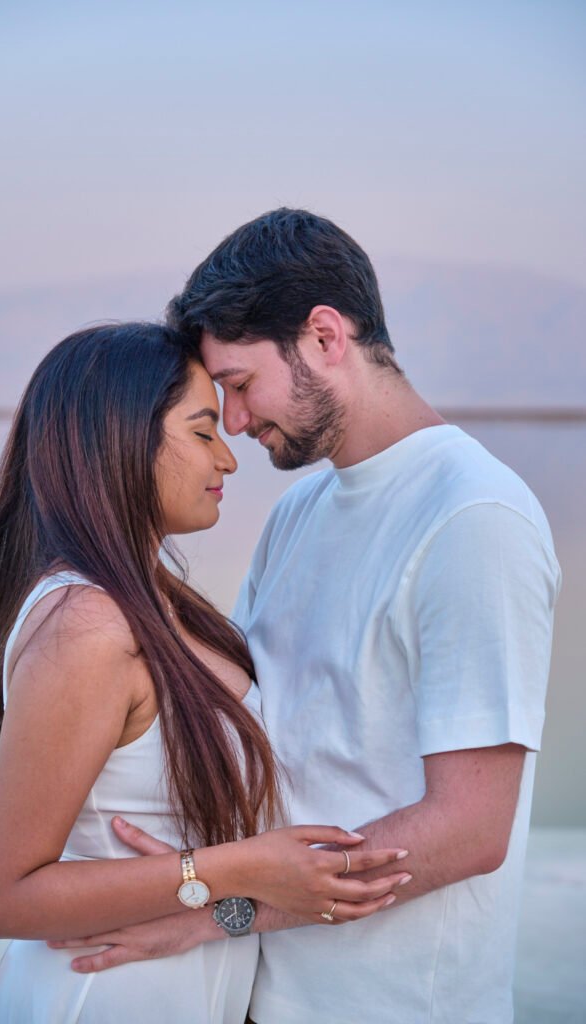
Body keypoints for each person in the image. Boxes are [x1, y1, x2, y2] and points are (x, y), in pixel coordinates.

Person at [54, 212, 561, 1024]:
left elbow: (468, 828)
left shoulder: (473, 516)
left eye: (242, 385)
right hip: (261, 994)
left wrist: (211, 911)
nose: (237, 422)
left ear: (325, 336)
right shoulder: (301, 513)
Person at [0, 321, 409, 1024]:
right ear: (119, 437)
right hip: (99, 995)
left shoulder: (160, 603)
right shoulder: (86, 624)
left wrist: (227, 903)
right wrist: (243, 869)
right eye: (202, 431)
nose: (227, 460)